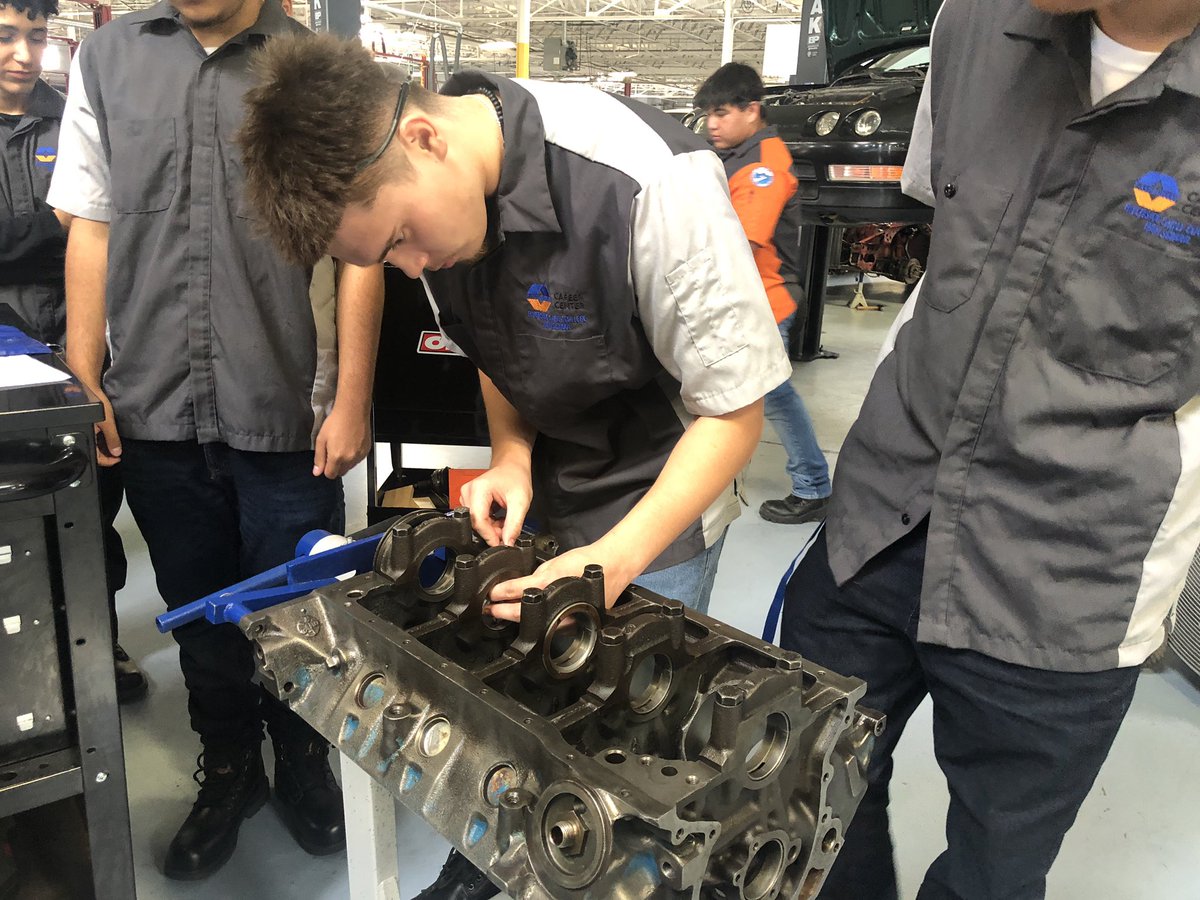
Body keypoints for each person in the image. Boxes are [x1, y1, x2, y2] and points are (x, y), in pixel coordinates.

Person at [236, 33, 791, 898]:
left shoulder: (645, 181)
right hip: (550, 501)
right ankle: (495, 856)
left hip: (659, 501)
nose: (412, 266)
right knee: (525, 703)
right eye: (387, 258)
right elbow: (492, 348)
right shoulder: (437, 208)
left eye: (404, 238)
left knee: (622, 744)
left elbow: (733, 411)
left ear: (423, 139)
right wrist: (513, 454)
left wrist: (614, 559)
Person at [778, 0, 1200, 897]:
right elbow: (952, 236)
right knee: (801, 799)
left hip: (1068, 571)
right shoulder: (968, 25)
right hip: (884, 516)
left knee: (993, 876)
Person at [47, 0, 384, 880]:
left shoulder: (315, 64)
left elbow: (361, 248)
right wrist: (85, 374)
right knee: (198, 612)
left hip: (285, 410)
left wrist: (352, 397)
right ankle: (231, 769)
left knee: (299, 615)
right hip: (154, 402)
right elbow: (91, 219)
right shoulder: (108, 59)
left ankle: (303, 763)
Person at [0, 0, 147, 703]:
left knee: (89, 510)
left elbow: (111, 229)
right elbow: (81, 223)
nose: (23, 56)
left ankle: (98, 641)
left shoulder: (73, 119)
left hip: (84, 350)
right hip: (7, 362)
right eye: (5, 37)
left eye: (33, 37)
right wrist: (63, 224)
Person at [695, 62, 832, 525]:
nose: (711, 124)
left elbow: (742, 242)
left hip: (765, 300)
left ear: (752, 110)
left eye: (721, 112)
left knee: (772, 395)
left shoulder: (764, 166)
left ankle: (813, 486)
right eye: (706, 114)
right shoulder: (735, 156)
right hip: (747, 298)